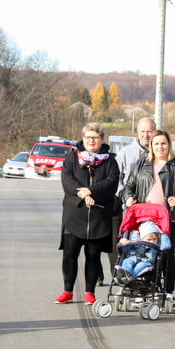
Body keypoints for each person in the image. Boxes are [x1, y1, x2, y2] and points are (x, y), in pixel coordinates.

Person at [124, 130, 175, 301]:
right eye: (156, 143)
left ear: (169, 145)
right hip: (146, 216)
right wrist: (128, 198)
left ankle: (168, 291)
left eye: (163, 143)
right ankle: (145, 289)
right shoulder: (141, 164)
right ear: (151, 146)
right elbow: (129, 186)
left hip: (170, 216)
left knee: (167, 252)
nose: (160, 147)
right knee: (145, 251)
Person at [55, 123, 119, 305]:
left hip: (98, 217)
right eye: (88, 137)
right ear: (83, 139)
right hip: (74, 215)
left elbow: (111, 183)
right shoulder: (72, 158)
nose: (91, 141)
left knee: (93, 256)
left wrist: (91, 192)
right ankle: (67, 290)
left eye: (95, 137)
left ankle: (89, 292)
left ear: (102, 140)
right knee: (69, 255)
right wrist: (82, 194)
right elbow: (67, 180)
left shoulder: (110, 161)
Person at [107, 116, 157, 279]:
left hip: (153, 210)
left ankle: (148, 278)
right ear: (137, 132)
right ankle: (125, 277)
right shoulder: (125, 153)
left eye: (150, 131)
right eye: (143, 131)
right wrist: (125, 196)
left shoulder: (160, 152)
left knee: (151, 246)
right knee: (130, 245)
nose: (146, 135)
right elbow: (116, 179)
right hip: (130, 209)